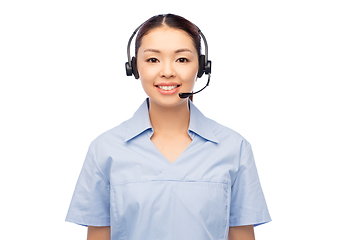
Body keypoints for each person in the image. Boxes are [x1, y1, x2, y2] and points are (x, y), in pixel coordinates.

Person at [65, 13, 271, 240]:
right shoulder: (104, 149)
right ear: (134, 67)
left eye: (181, 59)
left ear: (202, 67)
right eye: (153, 60)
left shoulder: (234, 148)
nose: (167, 71)